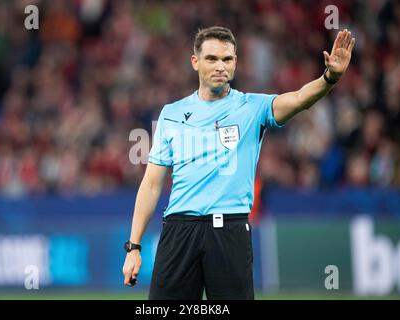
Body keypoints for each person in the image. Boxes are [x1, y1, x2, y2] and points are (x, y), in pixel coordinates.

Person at [122, 26, 355, 299]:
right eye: (211, 58)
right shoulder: (171, 114)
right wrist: (134, 247)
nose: (220, 66)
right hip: (178, 231)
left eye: (227, 59)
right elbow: (151, 184)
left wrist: (330, 78)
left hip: (230, 232)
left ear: (235, 62)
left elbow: (301, 98)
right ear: (195, 62)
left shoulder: (252, 107)